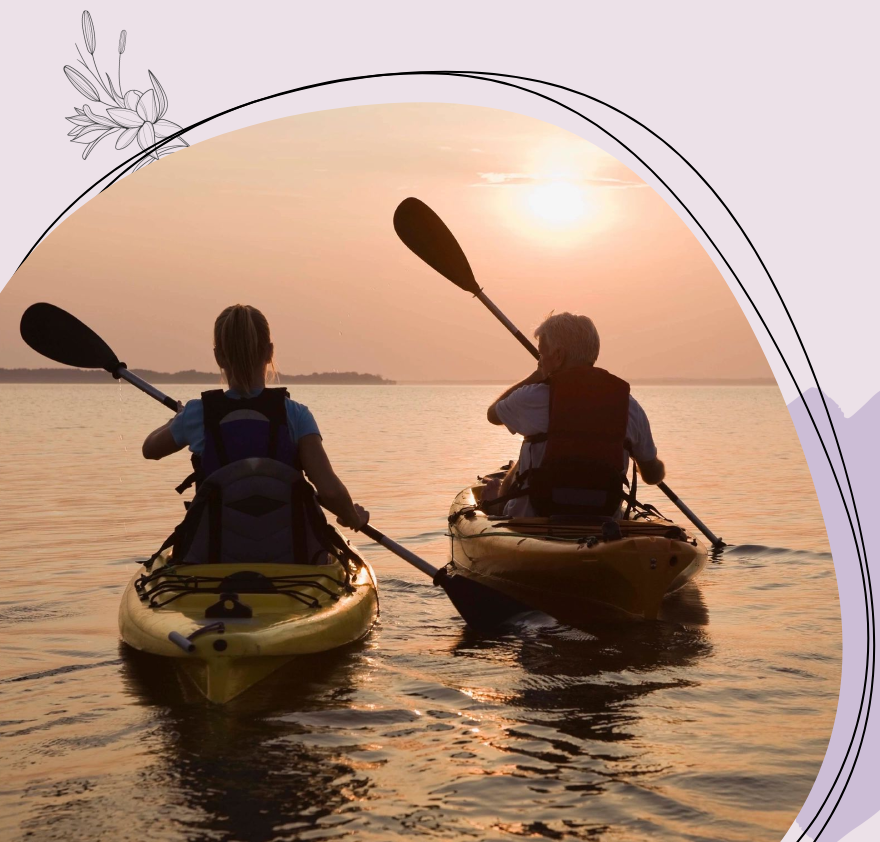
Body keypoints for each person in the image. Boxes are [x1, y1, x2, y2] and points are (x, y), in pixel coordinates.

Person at [142, 305, 368, 565]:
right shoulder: (296, 414)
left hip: (215, 557)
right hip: (292, 557)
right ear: (269, 352)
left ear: (219, 357)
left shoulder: (198, 414)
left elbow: (150, 449)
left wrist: (177, 420)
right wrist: (352, 516)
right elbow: (329, 491)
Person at [483, 312, 664, 519]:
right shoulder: (629, 407)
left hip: (535, 521)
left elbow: (493, 414)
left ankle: (496, 506)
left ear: (558, 356)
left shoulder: (531, 398)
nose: (540, 361)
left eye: (542, 353)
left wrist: (538, 375)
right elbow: (652, 476)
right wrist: (641, 459)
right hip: (603, 521)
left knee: (521, 463)